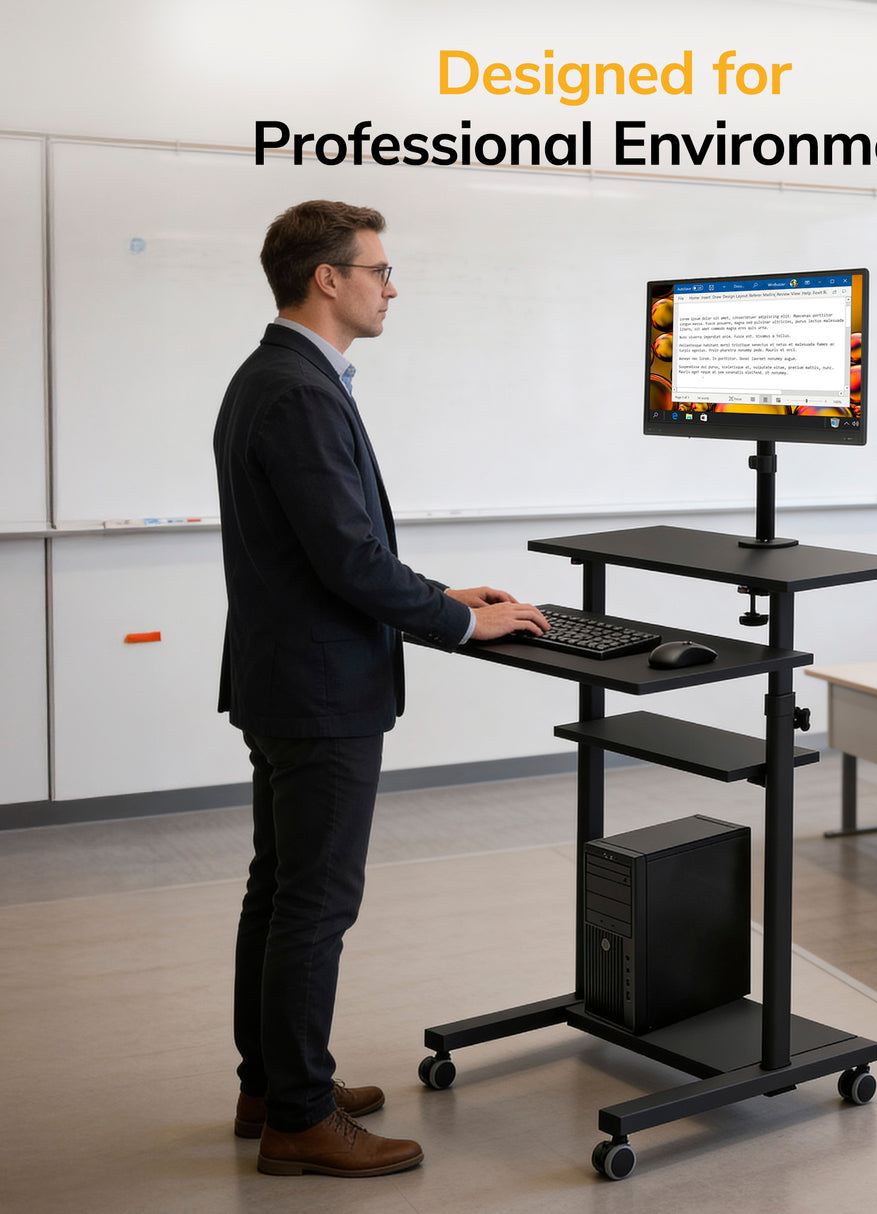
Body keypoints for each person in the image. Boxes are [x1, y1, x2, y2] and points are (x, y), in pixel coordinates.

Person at [213, 199, 548, 1178]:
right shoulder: (299, 389)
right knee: (312, 901)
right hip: (319, 690)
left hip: (285, 676)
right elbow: (348, 558)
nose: (391, 287)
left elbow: (324, 550)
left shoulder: (275, 375)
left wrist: (442, 589)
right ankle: (301, 1118)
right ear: (329, 278)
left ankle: (272, 1084)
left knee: (278, 891)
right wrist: (457, 618)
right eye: (379, 269)